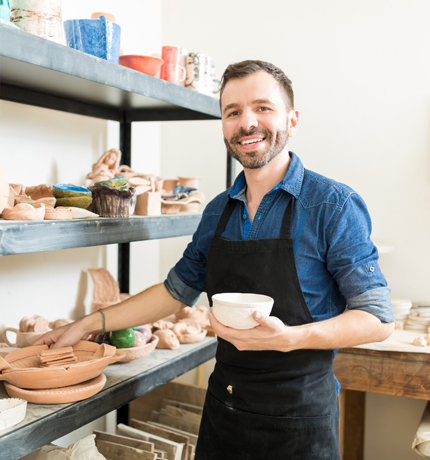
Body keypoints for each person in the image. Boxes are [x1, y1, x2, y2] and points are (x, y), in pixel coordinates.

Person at [34, 60, 395, 459]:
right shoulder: (218, 211)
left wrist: (290, 338)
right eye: (233, 112)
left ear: (292, 120)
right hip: (224, 414)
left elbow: (377, 319)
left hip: (298, 422)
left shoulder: (332, 205)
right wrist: (84, 326)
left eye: (263, 108)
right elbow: (176, 292)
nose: (247, 123)